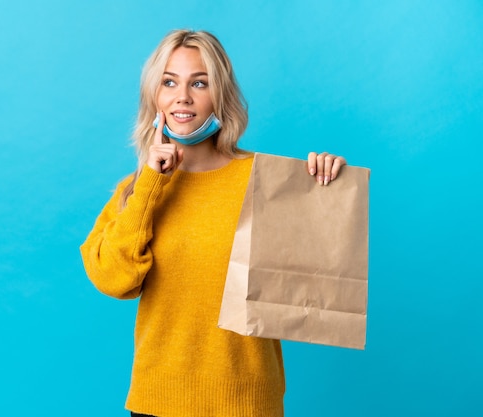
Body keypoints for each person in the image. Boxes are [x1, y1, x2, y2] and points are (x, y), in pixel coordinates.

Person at [80, 29, 347, 417]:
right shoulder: (136, 190)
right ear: (155, 96)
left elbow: (317, 277)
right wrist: (152, 183)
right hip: (158, 402)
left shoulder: (267, 181)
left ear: (219, 94)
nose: (182, 96)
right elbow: (113, 279)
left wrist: (327, 187)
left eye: (199, 83)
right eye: (169, 82)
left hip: (248, 403)